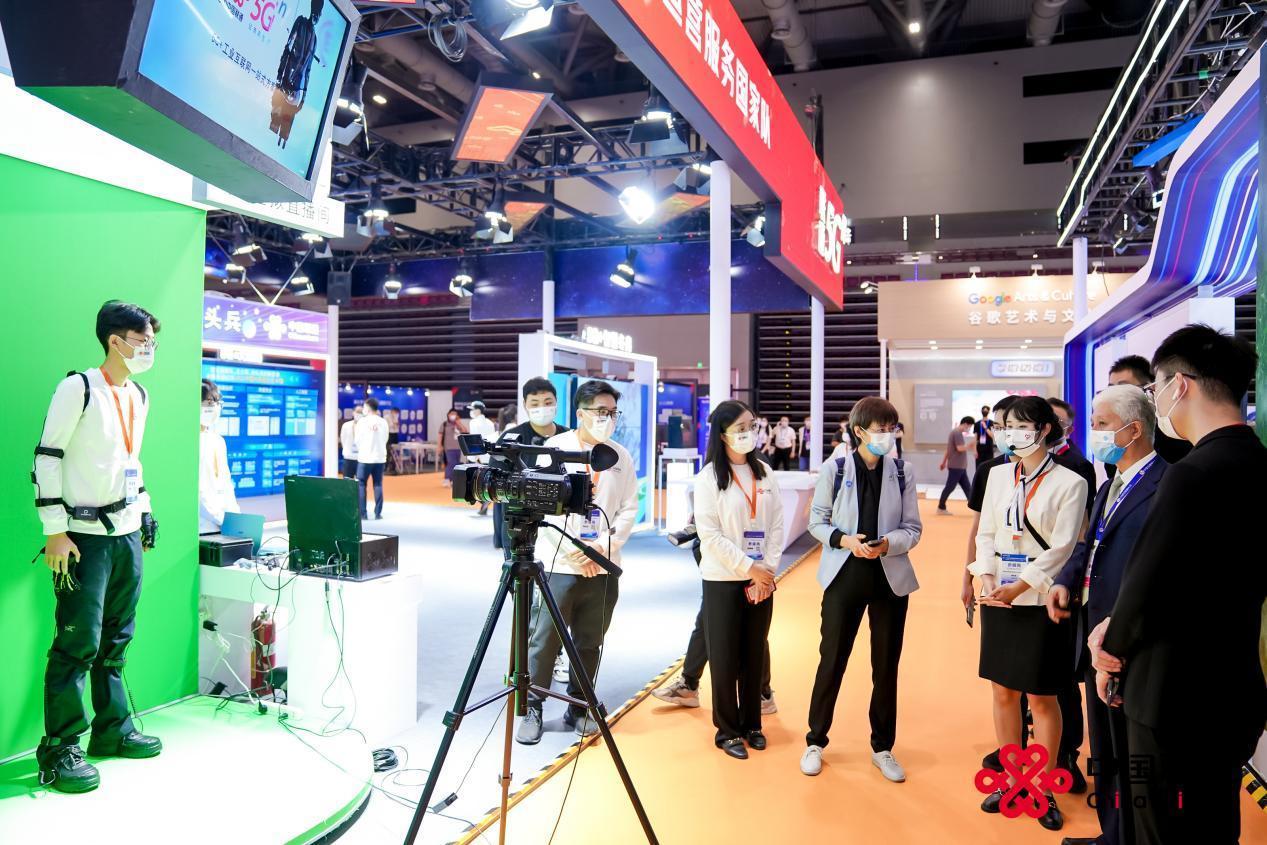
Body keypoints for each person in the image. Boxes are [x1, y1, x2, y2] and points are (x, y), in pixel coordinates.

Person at [1091, 325, 1265, 843]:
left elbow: (1148, 583)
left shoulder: (1190, 473)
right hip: (1233, 689)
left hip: (1170, 695)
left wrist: (1109, 645)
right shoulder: (1258, 462)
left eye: (1155, 387)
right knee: (1214, 825)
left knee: (1162, 829)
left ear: (1180, 385)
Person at [32, 301, 164, 793]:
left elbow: (132, 460)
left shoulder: (139, 394)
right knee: (76, 644)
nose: (149, 349)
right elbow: (47, 457)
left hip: (126, 532)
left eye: (152, 341)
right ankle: (60, 748)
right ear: (115, 339)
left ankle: (113, 729)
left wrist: (144, 509)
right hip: (81, 536)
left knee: (116, 639)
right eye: (143, 340)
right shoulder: (79, 388)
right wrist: (54, 529)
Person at [1047, 385, 1166, 845]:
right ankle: (1112, 834)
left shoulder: (1164, 486)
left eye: (1100, 424)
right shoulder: (1112, 482)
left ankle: (1130, 836)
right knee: (1107, 748)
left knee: (1134, 755)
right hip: (1094, 637)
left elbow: (1154, 573)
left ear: (1132, 430)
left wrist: (1120, 634)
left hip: (1126, 643)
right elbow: (1092, 545)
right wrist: (1066, 579)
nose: (1092, 432)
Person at [968, 396, 1087, 832]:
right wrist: (985, 576)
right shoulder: (998, 475)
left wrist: (1022, 586)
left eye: (1019, 425)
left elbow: (1064, 548)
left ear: (1044, 429)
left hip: (1039, 600)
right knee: (1002, 692)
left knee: (1042, 696)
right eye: (1005, 426)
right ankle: (1013, 780)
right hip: (998, 595)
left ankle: (1044, 787)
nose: (1009, 433)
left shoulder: (1071, 482)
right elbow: (985, 532)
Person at [801, 396, 922, 782]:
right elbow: (817, 521)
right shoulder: (835, 469)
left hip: (889, 579)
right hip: (844, 576)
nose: (888, 435)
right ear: (859, 432)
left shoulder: (902, 471)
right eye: (880, 429)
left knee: (886, 666)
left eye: (892, 429)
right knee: (832, 660)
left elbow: (913, 528)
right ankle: (815, 741)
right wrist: (844, 540)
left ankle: (883, 747)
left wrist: (887, 544)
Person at [517, 380, 640, 744]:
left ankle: (579, 704)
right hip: (561, 562)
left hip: (602, 564)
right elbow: (540, 504)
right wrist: (574, 547)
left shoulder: (620, 456)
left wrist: (599, 547)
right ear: (581, 413)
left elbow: (629, 508)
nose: (608, 419)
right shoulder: (555, 449)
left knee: (589, 641)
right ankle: (533, 706)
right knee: (544, 640)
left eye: (612, 412)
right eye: (601, 411)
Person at [692, 400, 783, 759]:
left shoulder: (765, 472)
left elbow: (776, 524)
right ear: (723, 434)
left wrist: (767, 570)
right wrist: (750, 567)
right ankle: (728, 731)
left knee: (754, 652)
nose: (749, 433)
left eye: (752, 426)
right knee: (725, 656)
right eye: (741, 428)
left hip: (762, 579)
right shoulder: (708, 478)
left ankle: (752, 725)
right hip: (723, 579)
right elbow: (710, 535)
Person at [493, 377, 571, 555]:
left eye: (548, 402)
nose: (542, 408)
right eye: (535, 403)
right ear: (525, 405)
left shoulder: (569, 437)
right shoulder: (510, 439)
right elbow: (496, 485)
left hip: (560, 529)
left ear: (556, 402)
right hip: (519, 530)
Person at [1105, 353, 1192, 472]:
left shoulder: (1172, 430)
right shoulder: (1115, 439)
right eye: (1111, 390)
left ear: (1149, 388)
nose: (1114, 397)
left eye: (1124, 389)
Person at [198, 379, 239, 534]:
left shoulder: (217, 440)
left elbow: (226, 483)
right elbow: (198, 492)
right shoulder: (190, 441)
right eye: (209, 402)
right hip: (200, 526)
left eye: (217, 403)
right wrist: (221, 519)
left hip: (224, 526)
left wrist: (235, 517)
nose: (214, 408)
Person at [1048, 397, 1097, 515]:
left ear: (1069, 430)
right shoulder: (1027, 455)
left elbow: (1085, 513)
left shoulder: (1080, 465)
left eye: (1057, 422)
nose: (1049, 426)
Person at [355, 397, 388, 520]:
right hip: (379, 458)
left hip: (365, 458)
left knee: (361, 484)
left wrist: (363, 449)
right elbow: (385, 438)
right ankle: (378, 513)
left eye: (364, 407)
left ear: (368, 408)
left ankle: (363, 514)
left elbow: (357, 440)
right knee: (378, 484)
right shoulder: (383, 422)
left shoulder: (362, 422)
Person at [937, 416, 976, 514]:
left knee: (967, 488)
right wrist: (970, 445)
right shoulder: (957, 433)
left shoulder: (955, 433)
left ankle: (975, 508)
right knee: (950, 487)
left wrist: (943, 462)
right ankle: (941, 507)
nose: (969, 429)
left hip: (959, 466)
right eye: (970, 426)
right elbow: (960, 448)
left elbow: (948, 450)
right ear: (966, 424)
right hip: (956, 466)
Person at [466, 401, 498, 515]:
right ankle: (485, 501)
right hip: (489, 456)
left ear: (478, 410)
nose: (471, 411)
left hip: (477, 455)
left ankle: (483, 501)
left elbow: (474, 440)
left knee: (473, 482)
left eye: (472, 409)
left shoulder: (473, 422)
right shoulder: (490, 422)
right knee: (486, 481)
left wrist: (475, 457)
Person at [438, 408, 466, 487]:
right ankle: (447, 479)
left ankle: (453, 480)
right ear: (448, 415)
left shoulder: (458, 424)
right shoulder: (444, 424)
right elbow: (440, 435)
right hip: (448, 448)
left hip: (458, 448)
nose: (453, 415)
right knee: (451, 463)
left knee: (456, 464)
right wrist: (439, 446)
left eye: (455, 414)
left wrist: (459, 423)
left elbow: (465, 431)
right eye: (452, 414)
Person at [339, 408, 360, 480]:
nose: (359, 414)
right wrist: (346, 451)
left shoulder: (365, 426)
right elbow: (343, 439)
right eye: (357, 412)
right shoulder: (346, 425)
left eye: (361, 412)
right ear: (353, 413)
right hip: (348, 457)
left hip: (361, 459)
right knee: (347, 481)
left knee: (360, 482)